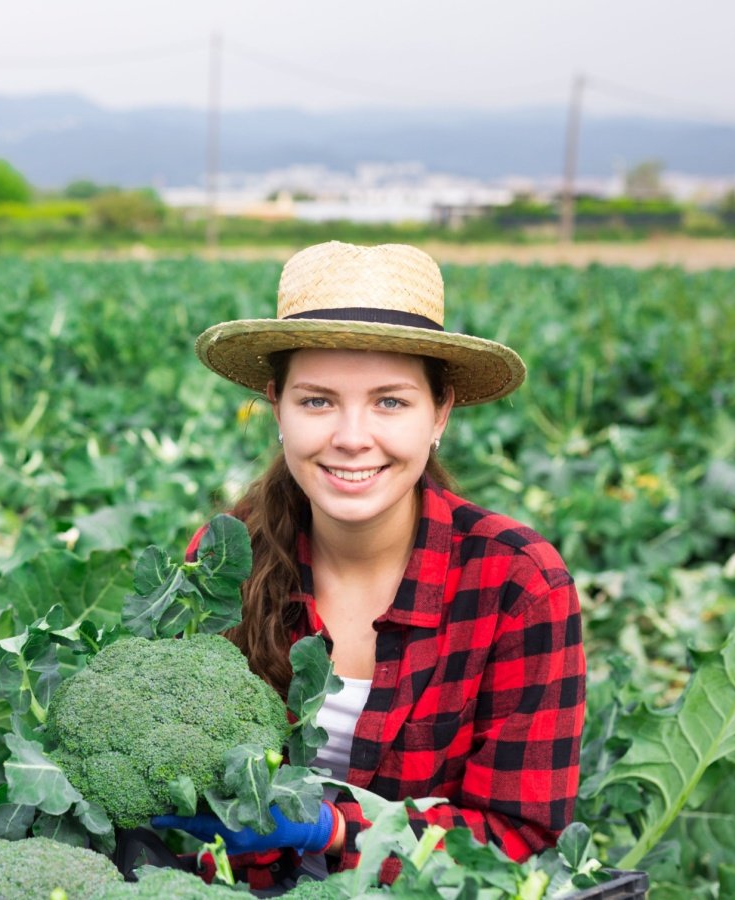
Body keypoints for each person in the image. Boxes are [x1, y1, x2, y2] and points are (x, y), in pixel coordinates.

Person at [155, 241, 586, 888]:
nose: (352, 437)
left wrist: (331, 829)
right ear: (278, 407)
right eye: (317, 401)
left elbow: (516, 835)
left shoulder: (519, 583)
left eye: (390, 401)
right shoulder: (222, 560)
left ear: (439, 413)